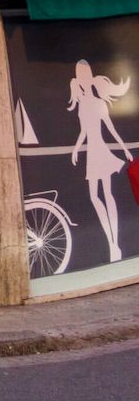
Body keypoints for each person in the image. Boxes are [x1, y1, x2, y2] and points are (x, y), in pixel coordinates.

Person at [69, 60, 133, 264]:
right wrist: (76, 148)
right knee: (95, 197)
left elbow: (110, 128)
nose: (83, 79)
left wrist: (124, 148)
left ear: (89, 77)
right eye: (80, 76)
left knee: (107, 195)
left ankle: (116, 245)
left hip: (101, 151)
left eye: (85, 75)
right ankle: (111, 243)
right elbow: (84, 131)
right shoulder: (82, 104)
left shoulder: (99, 103)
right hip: (91, 154)